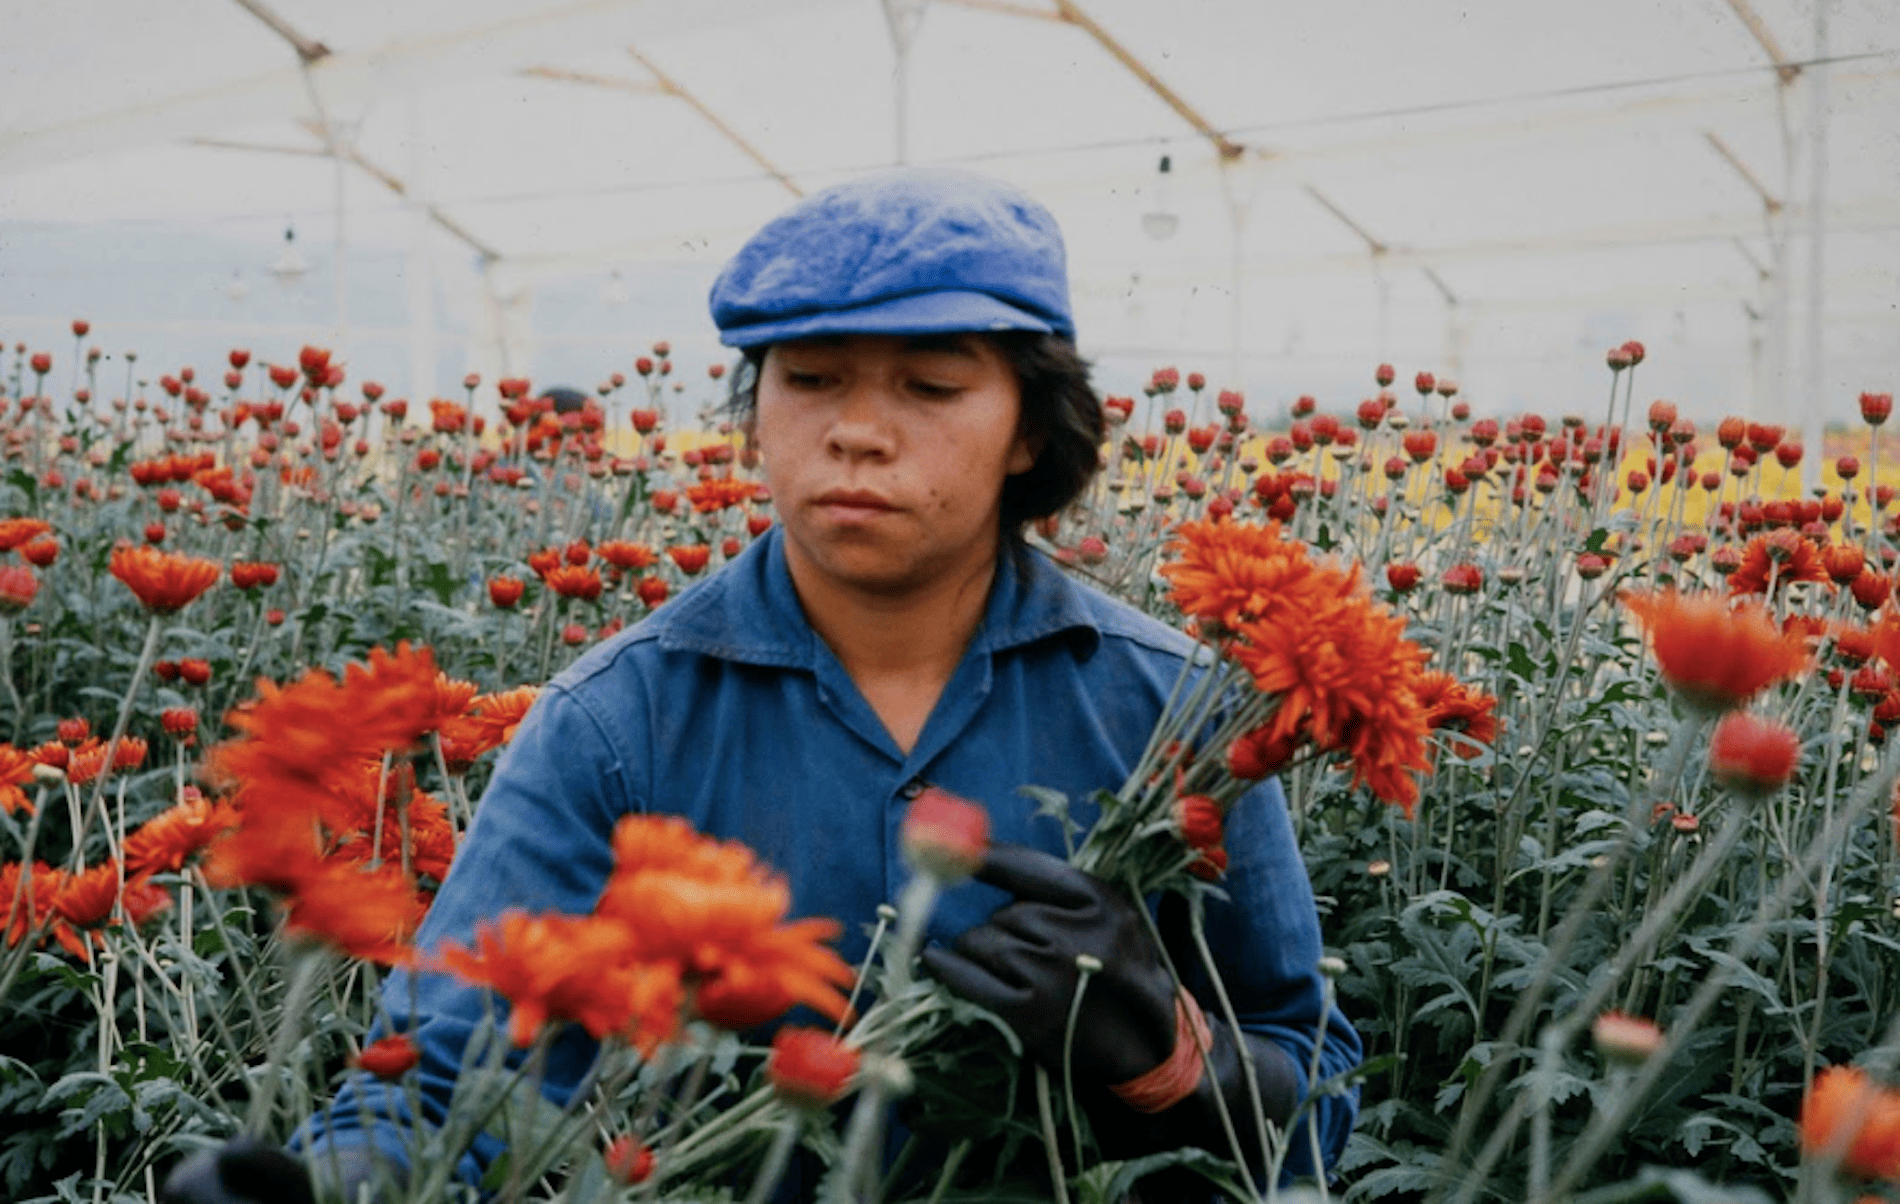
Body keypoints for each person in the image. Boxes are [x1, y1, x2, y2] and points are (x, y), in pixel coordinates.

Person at [162, 167, 1360, 1203]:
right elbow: (442, 1084)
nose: (856, 433)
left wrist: (1169, 1058)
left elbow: (1318, 1094)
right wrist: (321, 1186)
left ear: (1031, 431)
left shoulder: (1176, 713)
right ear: (754, 415)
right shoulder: (615, 724)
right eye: (811, 380)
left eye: (930, 389)